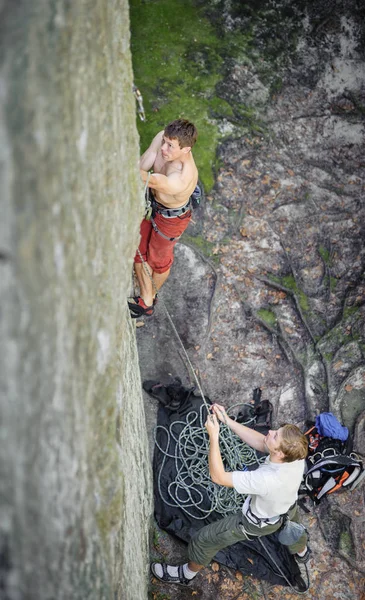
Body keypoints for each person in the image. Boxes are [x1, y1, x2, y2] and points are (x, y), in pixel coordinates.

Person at [151, 403, 311, 586]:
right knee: (294, 529)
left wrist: (214, 436)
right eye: (277, 430)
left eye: (275, 435)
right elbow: (262, 442)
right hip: (288, 507)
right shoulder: (296, 457)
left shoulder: (266, 480)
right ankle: (301, 551)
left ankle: (186, 575)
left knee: (204, 540)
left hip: (255, 522)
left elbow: (218, 477)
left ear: (280, 453)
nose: (271, 431)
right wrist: (227, 421)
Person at [128, 119, 199, 318]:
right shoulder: (163, 137)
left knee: (158, 259)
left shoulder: (180, 179)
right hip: (155, 203)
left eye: (170, 146)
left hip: (171, 219)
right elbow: (148, 158)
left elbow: (147, 178)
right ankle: (147, 294)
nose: (164, 148)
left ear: (185, 150)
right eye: (165, 141)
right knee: (137, 245)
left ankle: (148, 300)